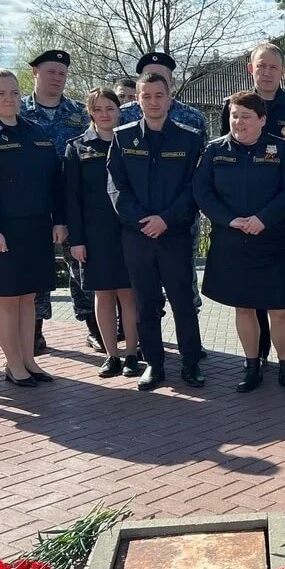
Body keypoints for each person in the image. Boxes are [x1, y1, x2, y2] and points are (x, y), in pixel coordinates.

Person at [0, 67, 65, 387]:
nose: (9, 99)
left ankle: (28, 360)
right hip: (0, 232)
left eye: (14, 92)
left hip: (35, 228)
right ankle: (12, 363)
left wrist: (59, 219)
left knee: (28, 297)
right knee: (6, 297)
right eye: (1, 93)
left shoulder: (35, 132)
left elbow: (54, 181)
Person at [195, 90, 285, 393]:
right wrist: (229, 219)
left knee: (279, 310)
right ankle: (252, 366)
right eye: (234, 116)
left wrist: (263, 219)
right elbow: (202, 192)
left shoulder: (280, 150)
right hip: (232, 241)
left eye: (245, 116)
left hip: (271, 242)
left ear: (262, 119)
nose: (239, 122)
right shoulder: (214, 151)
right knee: (243, 309)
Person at [217, 43, 285, 371]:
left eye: (274, 67)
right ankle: (256, 357)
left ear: (282, 71)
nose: (268, 72)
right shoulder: (235, 106)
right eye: (262, 66)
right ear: (251, 69)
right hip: (245, 217)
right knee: (250, 291)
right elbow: (224, 157)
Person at [106, 72, 205, 391]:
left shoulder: (189, 138)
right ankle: (154, 364)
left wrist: (166, 219)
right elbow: (115, 187)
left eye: (158, 95)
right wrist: (141, 221)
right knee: (145, 303)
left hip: (174, 235)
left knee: (183, 302)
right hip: (136, 237)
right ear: (137, 99)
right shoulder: (122, 137)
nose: (152, 102)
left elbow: (195, 189)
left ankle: (190, 363)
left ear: (170, 97)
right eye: (145, 96)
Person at [20, 49, 96, 354]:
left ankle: (94, 328)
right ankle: (34, 332)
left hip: (72, 201)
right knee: (35, 267)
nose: (57, 78)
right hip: (31, 202)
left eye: (62, 73)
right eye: (50, 71)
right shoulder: (17, 112)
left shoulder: (80, 113)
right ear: (35, 73)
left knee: (81, 265)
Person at [64, 88, 140, 379]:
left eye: (110, 108)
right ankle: (112, 355)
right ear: (90, 113)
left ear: (119, 110)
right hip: (95, 234)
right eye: (98, 109)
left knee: (128, 295)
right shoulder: (78, 147)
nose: (105, 114)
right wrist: (77, 240)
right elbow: (71, 197)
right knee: (104, 295)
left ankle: (132, 353)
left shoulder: (132, 142)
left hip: (129, 230)